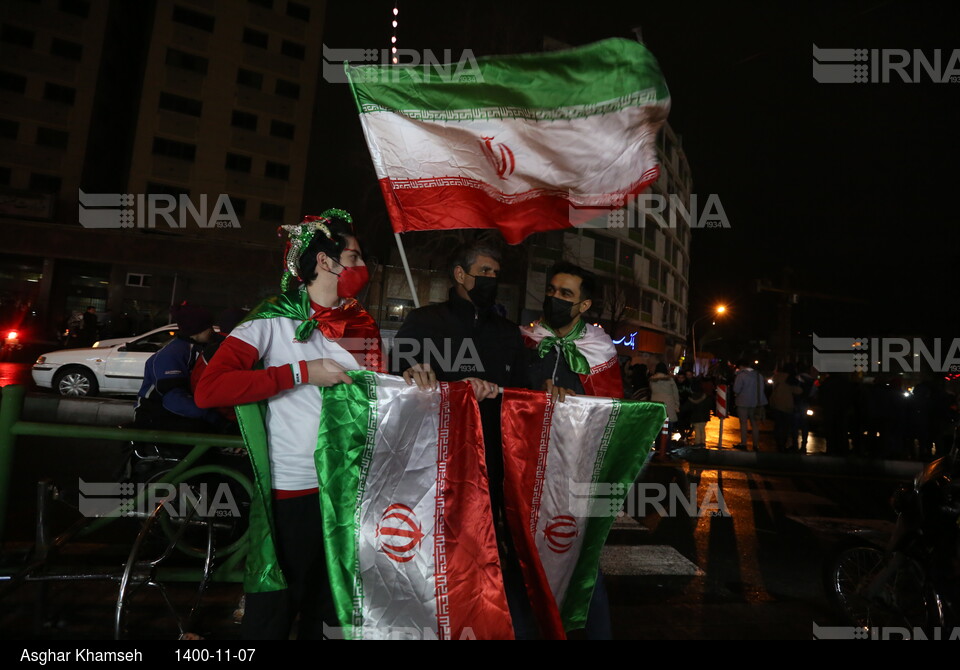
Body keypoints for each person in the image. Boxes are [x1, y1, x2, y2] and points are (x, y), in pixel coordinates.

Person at [195, 209, 383, 640]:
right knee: (276, 609)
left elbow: (375, 397)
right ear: (324, 261)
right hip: (293, 489)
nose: (361, 267)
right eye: (353, 257)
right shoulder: (272, 317)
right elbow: (211, 389)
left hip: (347, 492)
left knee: (331, 612)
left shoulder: (360, 325)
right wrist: (299, 372)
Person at [520, 261, 622, 639]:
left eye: (566, 294)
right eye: (552, 291)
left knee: (581, 562)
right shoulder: (528, 340)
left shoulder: (599, 350)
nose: (555, 298)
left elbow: (612, 411)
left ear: (584, 305)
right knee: (529, 557)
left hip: (580, 471)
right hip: (531, 467)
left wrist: (575, 400)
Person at [135, 302, 226, 433]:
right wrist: (213, 417)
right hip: (154, 413)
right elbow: (174, 398)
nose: (212, 331)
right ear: (195, 331)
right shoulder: (173, 354)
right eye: (208, 328)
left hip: (176, 409)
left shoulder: (200, 347)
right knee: (204, 431)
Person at [733, 359, 767, 451]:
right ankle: (756, 445)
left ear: (741, 367)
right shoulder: (759, 375)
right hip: (756, 403)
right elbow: (762, 389)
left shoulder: (741, 375)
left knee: (743, 423)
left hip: (743, 402)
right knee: (755, 424)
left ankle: (743, 444)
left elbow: (736, 389)